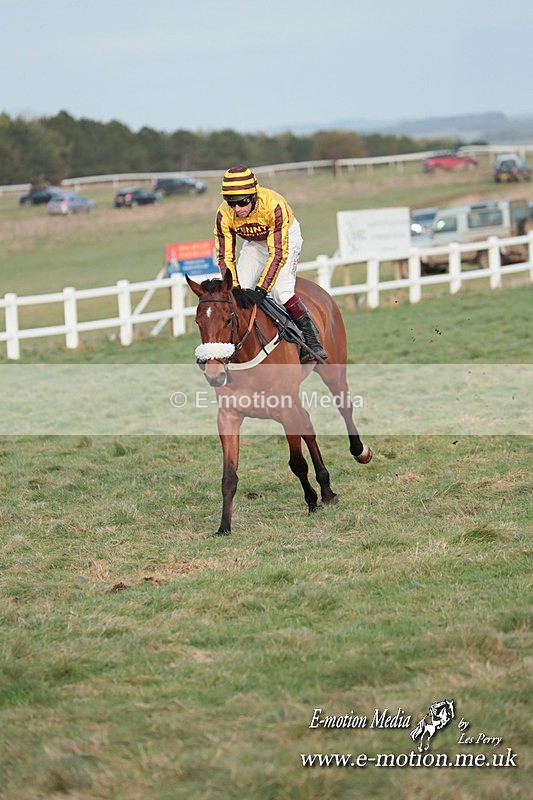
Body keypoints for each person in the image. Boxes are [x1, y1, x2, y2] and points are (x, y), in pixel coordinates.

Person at [214, 165, 327, 363]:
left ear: (254, 195)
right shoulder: (224, 214)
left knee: (280, 292)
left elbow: (277, 254)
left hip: (285, 239)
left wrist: (261, 290)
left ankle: (311, 338)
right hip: (255, 244)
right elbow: (225, 256)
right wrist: (235, 288)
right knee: (236, 297)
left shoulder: (273, 205)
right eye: (231, 203)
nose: (237, 209)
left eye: (242, 202)